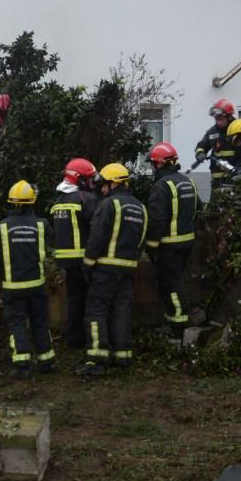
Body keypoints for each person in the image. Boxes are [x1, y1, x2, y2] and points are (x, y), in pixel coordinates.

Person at [0, 180, 55, 379]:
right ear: (32, 201)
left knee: (17, 324)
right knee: (40, 322)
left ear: (11, 202)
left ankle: (22, 366)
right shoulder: (42, 225)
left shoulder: (1, 228)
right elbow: (52, 248)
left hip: (12, 289)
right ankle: (46, 361)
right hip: (37, 286)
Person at [77, 163, 148, 377]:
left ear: (114, 183)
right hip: (127, 270)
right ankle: (123, 355)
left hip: (105, 269)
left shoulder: (108, 205)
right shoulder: (140, 207)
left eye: (104, 185)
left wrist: (88, 264)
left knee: (96, 310)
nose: (101, 189)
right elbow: (142, 240)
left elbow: (97, 237)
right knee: (121, 311)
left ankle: (97, 359)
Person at [145, 143, 200, 340]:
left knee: (171, 282)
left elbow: (157, 220)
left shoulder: (162, 186)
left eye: (153, 164)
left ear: (159, 164)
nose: (152, 168)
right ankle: (171, 320)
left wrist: (151, 246)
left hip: (169, 244)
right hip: (188, 242)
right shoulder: (187, 182)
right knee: (176, 280)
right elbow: (198, 209)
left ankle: (178, 324)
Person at [50, 157, 99, 348]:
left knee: (74, 301)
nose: (91, 183)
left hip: (67, 263)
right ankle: (93, 341)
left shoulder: (58, 200)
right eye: (88, 179)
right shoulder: (86, 199)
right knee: (93, 302)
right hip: (85, 260)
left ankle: (74, 339)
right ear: (79, 179)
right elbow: (97, 228)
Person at [194, 99, 237, 193]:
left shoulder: (238, 130)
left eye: (221, 119)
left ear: (229, 117)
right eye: (216, 119)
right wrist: (200, 153)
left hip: (236, 180)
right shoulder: (212, 132)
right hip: (217, 182)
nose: (218, 122)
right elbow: (201, 146)